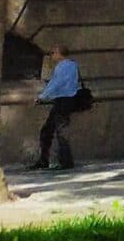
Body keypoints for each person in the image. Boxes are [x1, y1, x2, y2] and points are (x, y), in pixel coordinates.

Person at [32, 41, 86, 171]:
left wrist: (42, 97)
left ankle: (63, 161)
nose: (52, 55)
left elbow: (55, 84)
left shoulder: (61, 67)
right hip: (69, 99)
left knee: (57, 131)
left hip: (62, 100)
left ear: (60, 54)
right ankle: (49, 160)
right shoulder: (73, 65)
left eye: (53, 53)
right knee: (52, 130)